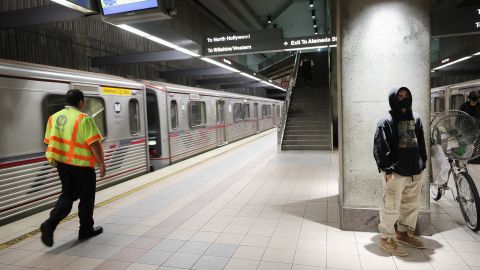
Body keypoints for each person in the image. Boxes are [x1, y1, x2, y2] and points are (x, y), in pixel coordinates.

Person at [40, 89, 106, 247]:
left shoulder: (53, 118)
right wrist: (102, 163)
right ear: (81, 102)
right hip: (82, 166)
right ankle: (85, 230)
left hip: (62, 165)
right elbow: (94, 144)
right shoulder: (84, 119)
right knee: (86, 199)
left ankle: (49, 224)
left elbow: (48, 141)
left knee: (68, 195)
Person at [373, 87, 427, 256]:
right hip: (396, 172)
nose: (404, 98)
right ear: (393, 99)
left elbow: (422, 143)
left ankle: (403, 233)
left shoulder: (415, 117)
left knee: (411, 205)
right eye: (400, 96)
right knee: (390, 206)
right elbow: (381, 146)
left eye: (407, 95)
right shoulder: (386, 120)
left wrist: (422, 162)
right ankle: (386, 238)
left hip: (415, 171)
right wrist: (387, 168)